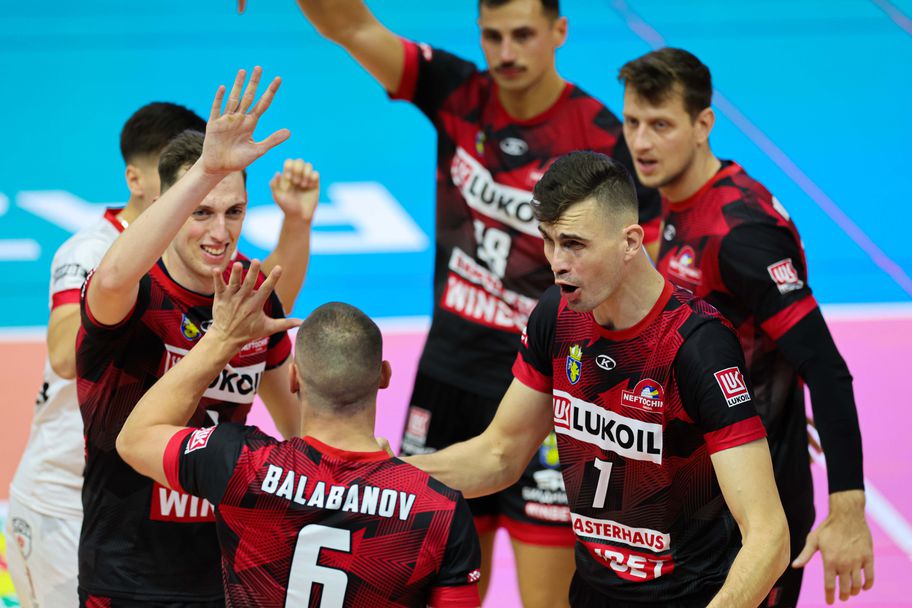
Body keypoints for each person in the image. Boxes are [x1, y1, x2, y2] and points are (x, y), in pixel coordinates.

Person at [252, 0, 661, 602]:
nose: (506, 53)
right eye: (492, 36)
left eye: (523, 34)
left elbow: (641, 270)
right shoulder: (459, 91)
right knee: (432, 590)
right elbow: (353, 25)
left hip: (548, 385)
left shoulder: (602, 140)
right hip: (448, 373)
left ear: (559, 31)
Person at [406, 151, 790, 607]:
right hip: (593, 594)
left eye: (574, 244)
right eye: (548, 240)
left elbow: (769, 536)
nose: (556, 262)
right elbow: (500, 454)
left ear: (630, 242)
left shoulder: (696, 346)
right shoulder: (556, 315)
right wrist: (385, 474)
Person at [6, 99, 318, 607]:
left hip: (218, 572)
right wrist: (207, 170)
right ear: (168, 204)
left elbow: (301, 427)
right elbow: (98, 299)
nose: (220, 233)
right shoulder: (131, 291)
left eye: (234, 212)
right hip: (120, 569)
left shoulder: (246, 294)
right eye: (201, 211)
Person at [617, 47, 875, 606]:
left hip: (753, 515)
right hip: (691, 494)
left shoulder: (741, 233)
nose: (640, 142)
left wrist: (849, 508)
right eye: (632, 122)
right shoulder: (666, 196)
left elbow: (825, 368)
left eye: (660, 125)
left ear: (703, 124)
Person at [115, 270, 483, 607]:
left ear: (293, 378)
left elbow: (134, 439)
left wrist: (222, 339)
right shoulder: (439, 510)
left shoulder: (240, 463)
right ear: (384, 375)